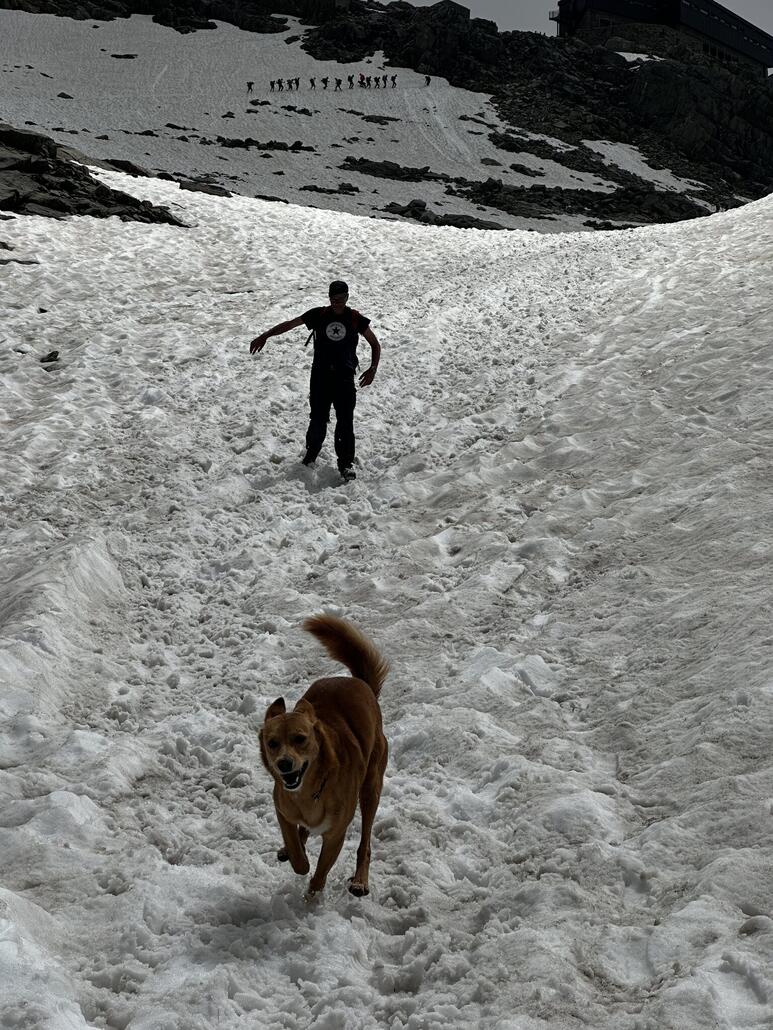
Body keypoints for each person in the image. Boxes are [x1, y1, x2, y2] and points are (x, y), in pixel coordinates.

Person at [249, 281, 381, 481]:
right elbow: (290, 324)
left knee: (345, 422)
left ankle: (346, 464)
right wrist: (265, 335)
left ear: (347, 298)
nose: (337, 302)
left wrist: (372, 369)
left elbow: (374, 344)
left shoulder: (355, 318)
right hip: (320, 377)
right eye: (333, 299)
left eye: (341, 298)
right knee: (318, 418)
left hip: (344, 378)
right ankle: (311, 454)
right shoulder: (319, 315)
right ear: (329, 298)